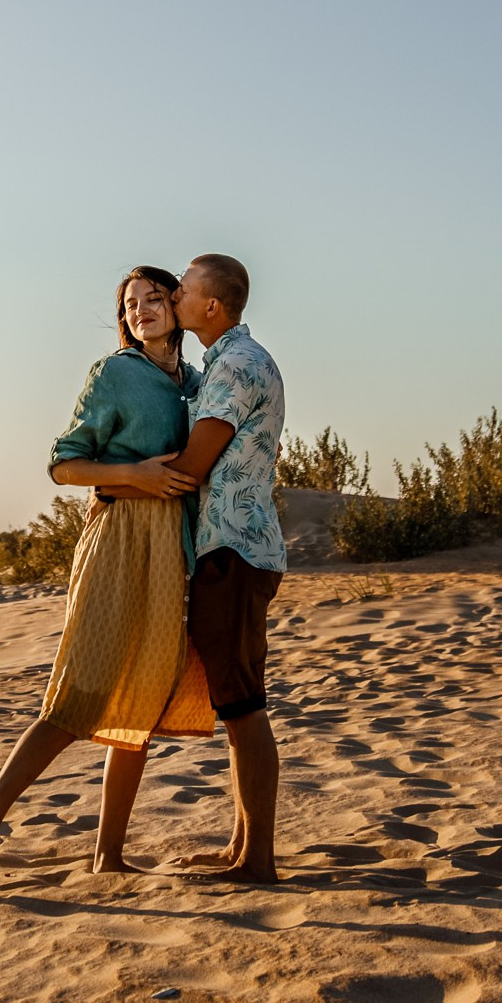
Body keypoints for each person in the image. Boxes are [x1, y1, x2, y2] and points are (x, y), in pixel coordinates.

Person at [0, 266, 215, 898]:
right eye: (131, 303)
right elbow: (64, 463)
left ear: (177, 304)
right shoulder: (115, 373)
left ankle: (108, 856)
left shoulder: (197, 384)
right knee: (77, 695)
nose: (143, 310)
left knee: (143, 697)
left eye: (154, 298)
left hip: (171, 549)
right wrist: (134, 477)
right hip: (119, 540)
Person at [149, 253, 286, 883]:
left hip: (233, 549)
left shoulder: (234, 365)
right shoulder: (229, 361)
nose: (174, 293)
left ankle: (256, 859)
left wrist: (115, 480)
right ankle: (241, 849)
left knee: (242, 704)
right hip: (236, 547)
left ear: (213, 306)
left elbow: (193, 465)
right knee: (239, 702)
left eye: (184, 286)